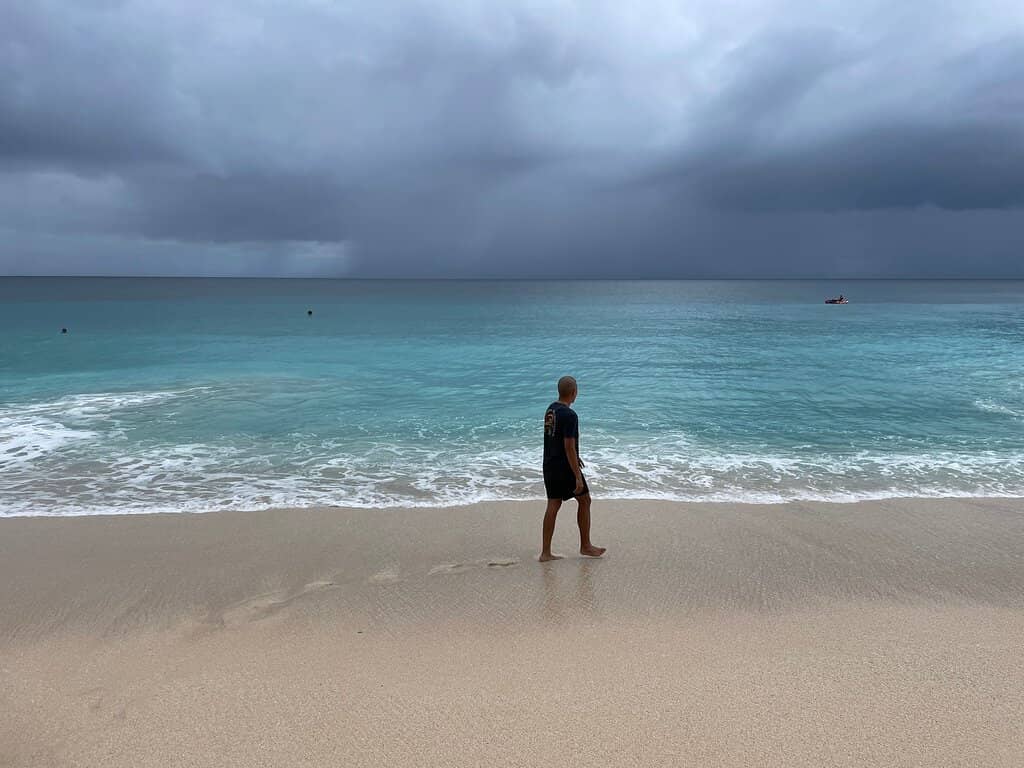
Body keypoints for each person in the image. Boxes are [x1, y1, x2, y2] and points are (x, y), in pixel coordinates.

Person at [540, 376, 607, 562]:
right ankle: (585, 546)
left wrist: (576, 456)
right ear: (574, 392)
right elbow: (568, 445)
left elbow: (555, 439)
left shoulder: (550, 410)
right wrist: (577, 475)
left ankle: (545, 553)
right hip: (564, 468)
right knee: (585, 500)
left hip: (549, 464)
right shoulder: (570, 415)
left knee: (553, 504)